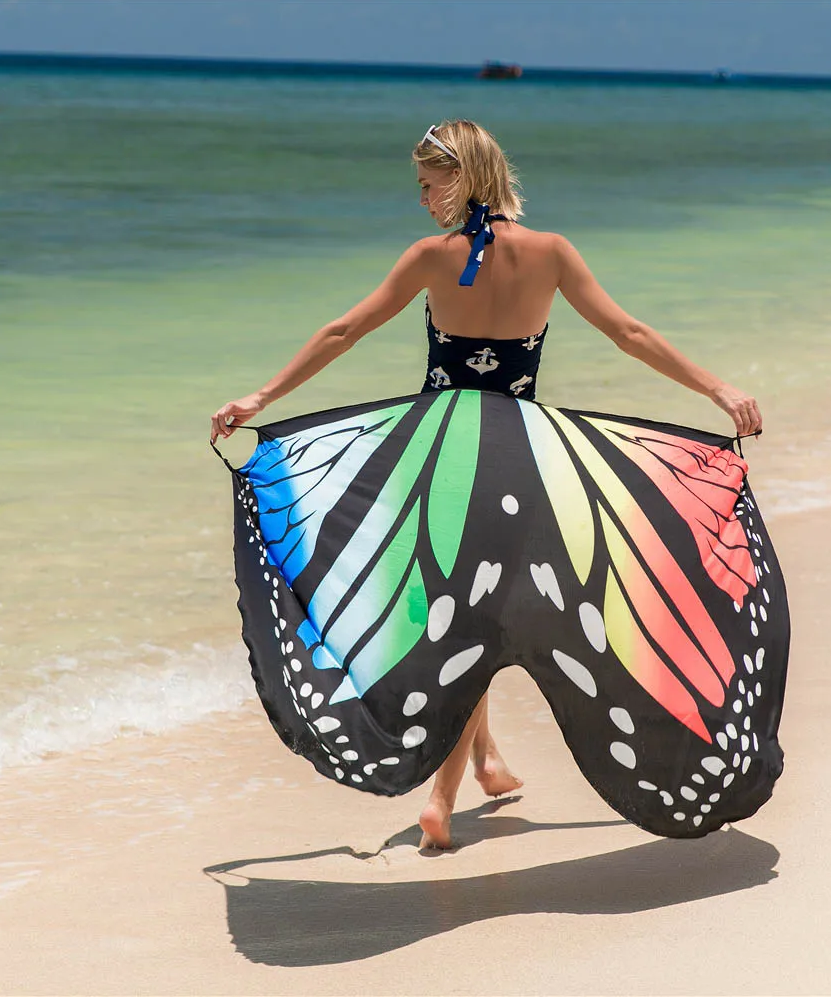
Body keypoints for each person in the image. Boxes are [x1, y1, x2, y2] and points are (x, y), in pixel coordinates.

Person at [211, 119, 763, 849]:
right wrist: (718, 389)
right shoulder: (552, 253)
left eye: (428, 184)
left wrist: (262, 397)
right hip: (520, 456)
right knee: (481, 610)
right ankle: (477, 769)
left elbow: (345, 331)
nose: (422, 200)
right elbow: (629, 333)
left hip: (435, 459)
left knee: (464, 613)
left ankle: (446, 792)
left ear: (463, 177)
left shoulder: (430, 258)